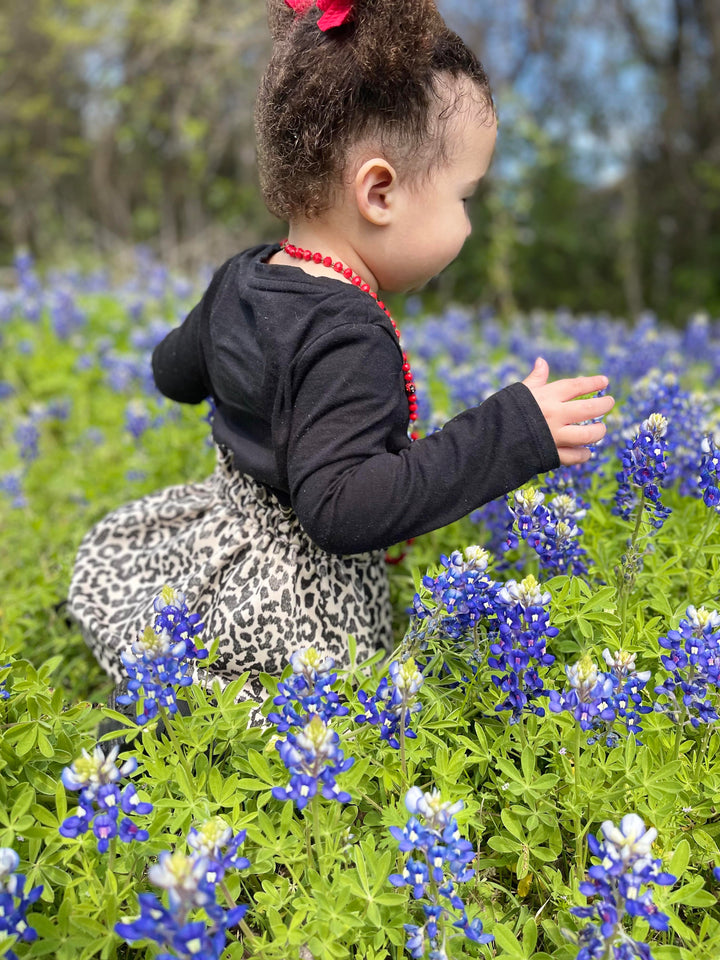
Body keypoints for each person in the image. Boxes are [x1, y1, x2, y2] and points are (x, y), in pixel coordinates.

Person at [67, 0, 614, 708]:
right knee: (319, 707)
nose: (469, 225)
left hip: (219, 544)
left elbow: (173, 373)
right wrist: (509, 433)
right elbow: (343, 511)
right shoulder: (351, 336)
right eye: (464, 197)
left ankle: (164, 693)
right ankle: (208, 712)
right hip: (295, 602)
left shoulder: (243, 274)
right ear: (379, 191)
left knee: (170, 644)